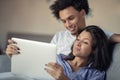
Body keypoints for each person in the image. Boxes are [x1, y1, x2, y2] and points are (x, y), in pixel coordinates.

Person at [50, 0, 120, 55]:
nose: (68, 25)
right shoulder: (58, 36)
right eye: (64, 21)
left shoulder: (95, 35)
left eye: (71, 18)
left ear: (82, 13)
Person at [45, 25, 111, 80]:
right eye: (78, 39)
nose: (78, 43)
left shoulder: (96, 74)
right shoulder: (57, 59)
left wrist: (64, 79)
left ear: (94, 50)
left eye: (85, 42)